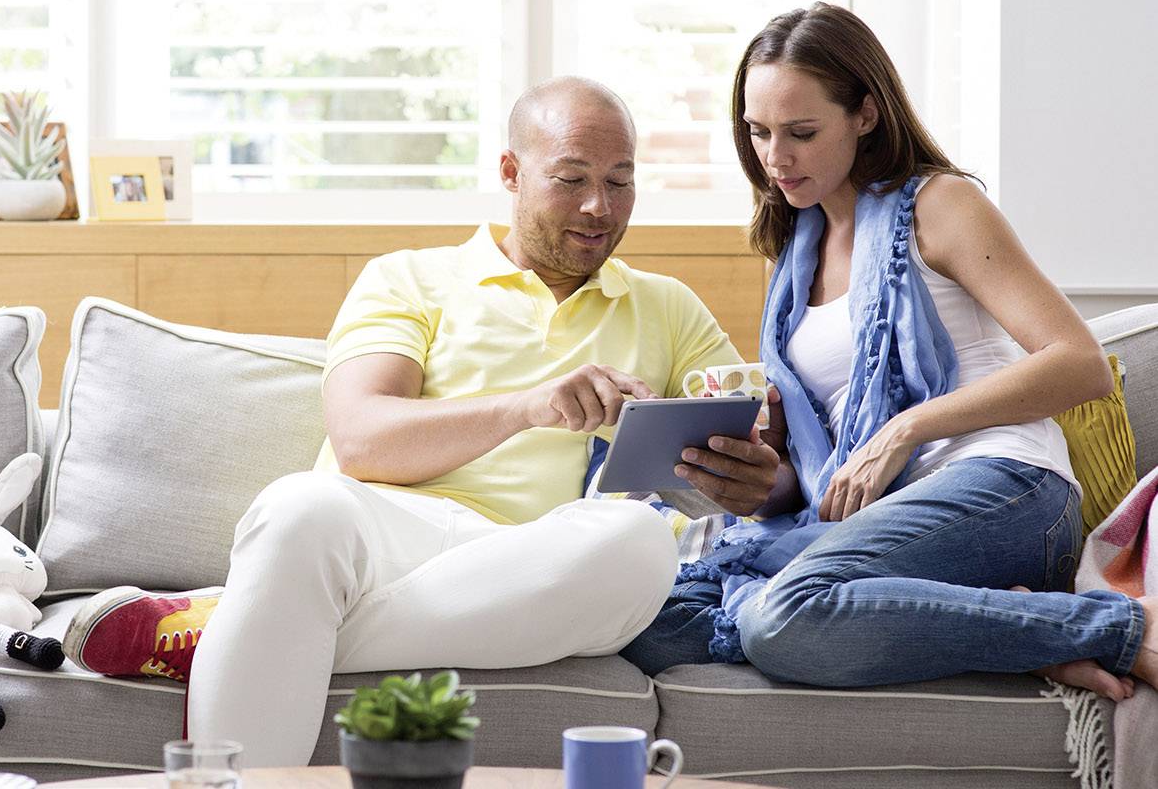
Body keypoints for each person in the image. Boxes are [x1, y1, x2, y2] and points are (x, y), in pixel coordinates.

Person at [59, 77, 787, 765]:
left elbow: (750, 457)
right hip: (386, 534)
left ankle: (227, 630)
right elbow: (361, 442)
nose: (599, 206)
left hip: (537, 562)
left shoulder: (666, 305)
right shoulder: (408, 278)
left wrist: (748, 477)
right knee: (298, 506)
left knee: (638, 544)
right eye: (571, 179)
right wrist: (532, 406)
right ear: (510, 172)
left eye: (620, 181)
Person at [618, 2, 1157, 702]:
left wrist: (907, 428)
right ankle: (1015, 634)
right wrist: (755, 479)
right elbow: (823, 466)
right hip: (881, 519)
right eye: (757, 133)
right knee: (655, 624)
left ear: (865, 114)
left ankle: (1117, 630)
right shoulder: (795, 252)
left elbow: (1078, 363)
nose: (775, 157)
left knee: (781, 617)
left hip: (1001, 485)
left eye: (802, 133)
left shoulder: (940, 204)